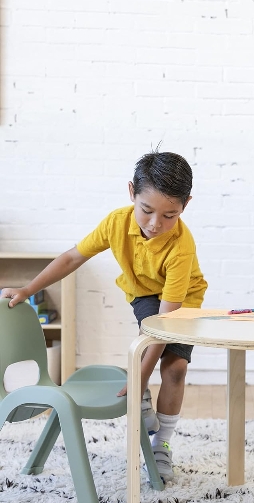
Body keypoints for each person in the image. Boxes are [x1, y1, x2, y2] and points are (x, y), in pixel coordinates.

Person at [0, 150, 208, 483]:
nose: (155, 224)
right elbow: (72, 258)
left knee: (175, 367)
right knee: (147, 341)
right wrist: (28, 289)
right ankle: (142, 394)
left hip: (182, 300)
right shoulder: (116, 223)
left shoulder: (181, 246)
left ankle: (162, 442)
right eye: (147, 210)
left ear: (186, 205)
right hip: (144, 293)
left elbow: (165, 323)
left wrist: (138, 378)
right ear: (132, 192)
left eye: (170, 215)